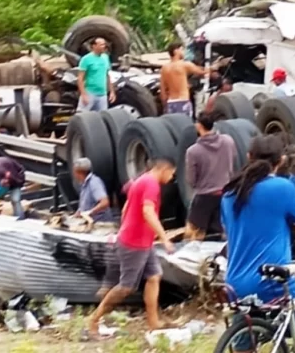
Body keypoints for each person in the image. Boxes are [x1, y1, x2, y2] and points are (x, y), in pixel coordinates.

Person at [220, 136, 295, 350]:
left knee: (244, 346)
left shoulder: (228, 193)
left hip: (236, 284)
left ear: (248, 157)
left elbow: (229, 230)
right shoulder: (282, 187)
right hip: (272, 283)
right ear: (281, 160)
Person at [87, 158, 177, 337]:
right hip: (135, 243)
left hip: (142, 240)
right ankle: (93, 319)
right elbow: (147, 212)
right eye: (172, 174)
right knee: (126, 287)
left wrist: (128, 227)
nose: (172, 178)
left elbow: (125, 209)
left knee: (154, 277)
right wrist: (164, 237)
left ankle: (153, 322)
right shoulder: (151, 184)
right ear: (164, 169)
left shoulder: (140, 180)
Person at [184, 112, 236, 240]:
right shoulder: (228, 141)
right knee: (222, 234)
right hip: (225, 193)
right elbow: (233, 161)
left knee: (194, 235)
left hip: (204, 197)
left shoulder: (193, 151)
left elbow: (191, 179)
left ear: (199, 126)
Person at [160, 42, 217, 116]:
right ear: (176, 51)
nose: (184, 52)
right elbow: (203, 72)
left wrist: (165, 105)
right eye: (182, 49)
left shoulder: (164, 68)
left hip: (171, 102)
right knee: (186, 124)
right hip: (183, 101)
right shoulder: (184, 64)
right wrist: (216, 66)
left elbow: (162, 90)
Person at [77, 38, 116, 112]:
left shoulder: (105, 57)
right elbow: (80, 78)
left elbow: (108, 75)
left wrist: (112, 92)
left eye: (104, 44)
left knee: (101, 118)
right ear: (94, 46)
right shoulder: (86, 59)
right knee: (83, 116)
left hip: (102, 95)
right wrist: (83, 94)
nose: (104, 46)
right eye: (101, 45)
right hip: (90, 93)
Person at [73, 158, 112, 223]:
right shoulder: (84, 184)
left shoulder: (94, 183)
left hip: (101, 224)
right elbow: (85, 205)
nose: (74, 175)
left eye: (74, 172)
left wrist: (90, 212)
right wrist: (78, 213)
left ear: (79, 172)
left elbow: (105, 202)